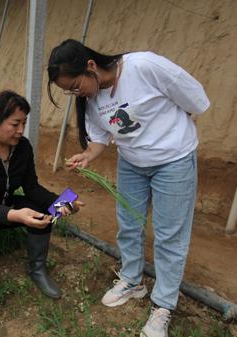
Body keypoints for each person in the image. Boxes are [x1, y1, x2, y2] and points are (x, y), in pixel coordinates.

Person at [47, 39, 209, 337]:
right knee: (129, 224)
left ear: (91, 66)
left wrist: (167, 129)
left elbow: (195, 100)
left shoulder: (144, 66)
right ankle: (132, 281)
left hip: (173, 160)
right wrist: (87, 155)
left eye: (74, 86)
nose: (75, 93)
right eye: (68, 91)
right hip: (132, 163)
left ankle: (162, 307)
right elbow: (100, 138)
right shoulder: (92, 98)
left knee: (169, 234)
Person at [0, 90, 82, 299]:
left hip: (4, 205)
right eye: (15, 124)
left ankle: (37, 270)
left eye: (24, 123)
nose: (21, 130)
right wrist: (15, 215)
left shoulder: (23, 148)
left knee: (42, 212)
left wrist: (63, 201)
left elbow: (32, 188)